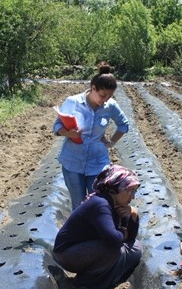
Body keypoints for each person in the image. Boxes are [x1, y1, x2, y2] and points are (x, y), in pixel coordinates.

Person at [53, 165, 142, 289]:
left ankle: (103, 279)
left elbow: (130, 239)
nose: (132, 197)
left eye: (134, 192)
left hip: (85, 249)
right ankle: (87, 284)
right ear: (116, 189)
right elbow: (113, 239)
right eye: (129, 191)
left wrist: (133, 215)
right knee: (113, 248)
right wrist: (122, 232)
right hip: (67, 254)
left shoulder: (116, 204)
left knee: (136, 247)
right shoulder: (100, 204)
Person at [54, 62, 130, 210]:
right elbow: (57, 126)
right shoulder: (73, 102)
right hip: (72, 162)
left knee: (97, 204)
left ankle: (96, 232)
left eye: (109, 96)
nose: (105, 100)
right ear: (93, 88)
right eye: (103, 95)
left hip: (98, 163)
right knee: (79, 206)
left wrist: (111, 142)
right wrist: (67, 133)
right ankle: (80, 233)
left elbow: (123, 124)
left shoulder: (110, 106)